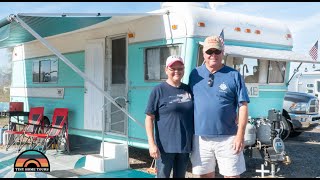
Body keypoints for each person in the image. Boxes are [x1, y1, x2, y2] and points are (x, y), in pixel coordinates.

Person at [188, 36, 250, 178]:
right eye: (209, 51)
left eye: (217, 51)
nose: (213, 55)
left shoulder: (234, 75)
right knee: (204, 175)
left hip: (229, 137)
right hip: (200, 137)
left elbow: (243, 105)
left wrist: (240, 134)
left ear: (223, 53)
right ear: (203, 54)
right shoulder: (195, 74)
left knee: (232, 175)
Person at [145, 55, 194, 178]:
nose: (177, 71)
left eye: (180, 68)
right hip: (164, 147)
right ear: (166, 70)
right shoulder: (158, 90)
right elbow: (149, 118)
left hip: (184, 145)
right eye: (173, 68)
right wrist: (152, 144)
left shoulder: (188, 89)